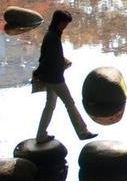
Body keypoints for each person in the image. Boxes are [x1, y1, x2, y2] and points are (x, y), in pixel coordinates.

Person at [34, 9, 97, 143]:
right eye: (65, 23)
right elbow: (47, 59)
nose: (65, 26)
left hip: (51, 76)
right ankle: (82, 132)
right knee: (70, 103)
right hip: (55, 78)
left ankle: (40, 136)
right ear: (59, 22)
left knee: (49, 106)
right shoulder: (52, 37)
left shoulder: (52, 34)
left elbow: (48, 57)